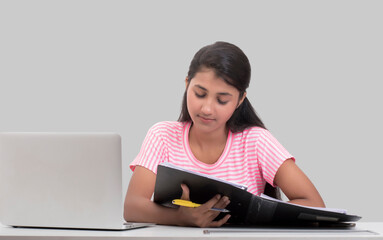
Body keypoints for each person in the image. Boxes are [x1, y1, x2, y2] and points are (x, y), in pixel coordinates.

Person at [124, 41, 325, 227]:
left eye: (222, 100)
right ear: (187, 85)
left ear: (239, 100)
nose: (207, 109)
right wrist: (179, 218)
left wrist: (254, 217)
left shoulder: (256, 141)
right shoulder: (163, 136)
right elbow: (132, 207)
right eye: (199, 94)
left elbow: (314, 203)